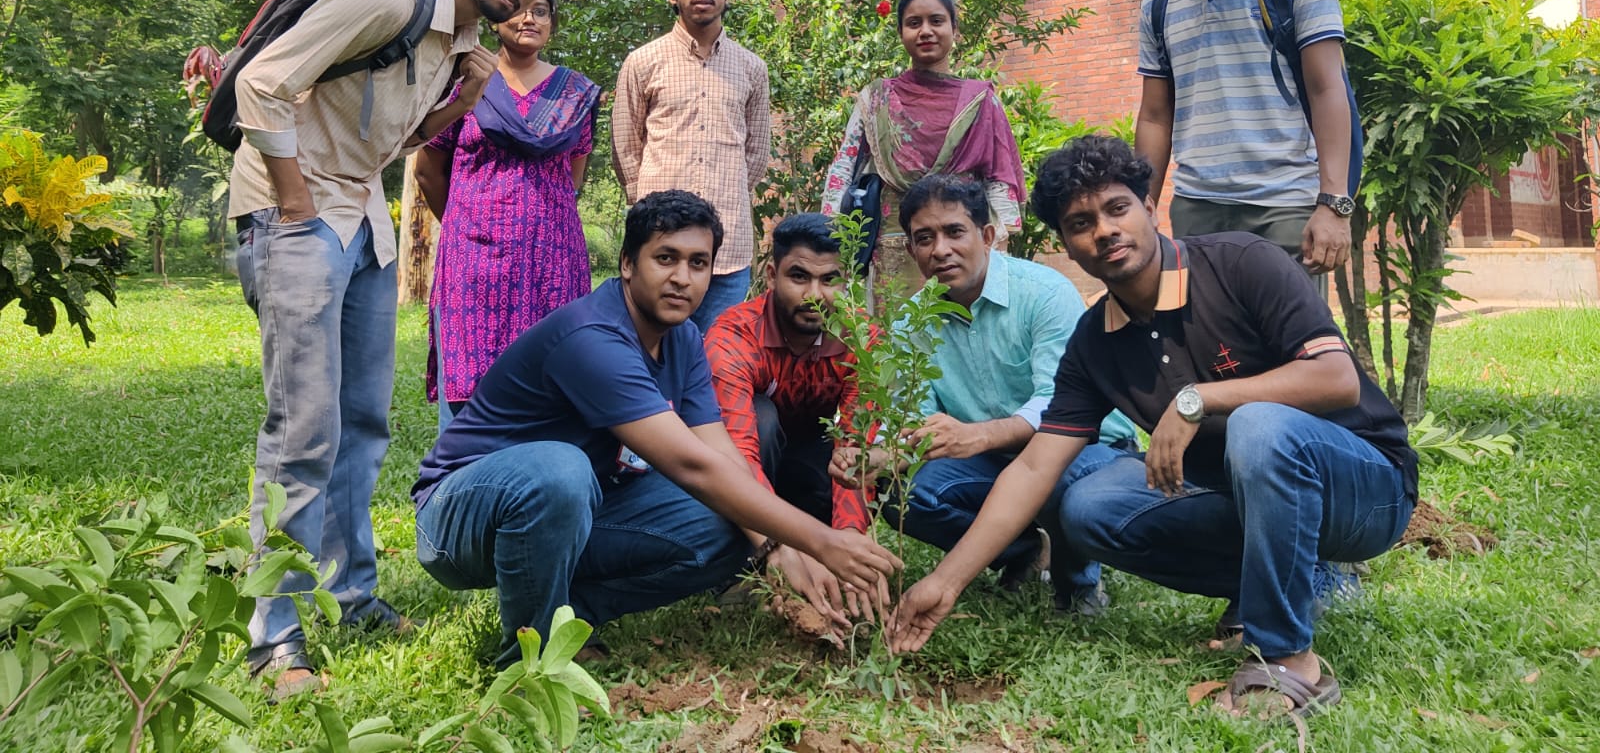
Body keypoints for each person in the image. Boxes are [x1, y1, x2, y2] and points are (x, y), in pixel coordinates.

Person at [890, 137, 1417, 721]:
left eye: (1117, 208)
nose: (1105, 231)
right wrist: (945, 582)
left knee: (1258, 425)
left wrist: (1197, 399)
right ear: (1066, 242)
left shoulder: (1241, 262)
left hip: (1365, 489)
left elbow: (1336, 379)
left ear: (1149, 206)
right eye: (1081, 223)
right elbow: (1036, 465)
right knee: (1088, 508)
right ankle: (1295, 581)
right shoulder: (1095, 342)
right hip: (1240, 501)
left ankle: (1288, 660)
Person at [229, 0, 576, 698]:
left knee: (362, 424)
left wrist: (461, 98)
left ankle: (351, 598)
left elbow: (399, 138)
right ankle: (272, 637)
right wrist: (294, 205)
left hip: (362, 220)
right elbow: (261, 83)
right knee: (303, 430)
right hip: (298, 214)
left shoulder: (463, 44)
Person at [412, 191, 899, 667]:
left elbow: (723, 456)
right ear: (628, 263)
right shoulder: (593, 337)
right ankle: (532, 662)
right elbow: (692, 465)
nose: (682, 278)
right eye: (666, 258)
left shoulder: (682, 339)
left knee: (734, 523)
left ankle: (570, 613)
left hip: (584, 506)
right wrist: (821, 541)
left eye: (698, 263)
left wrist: (774, 544)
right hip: (459, 518)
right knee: (561, 470)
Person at [833, 175, 1137, 614]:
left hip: (1085, 448)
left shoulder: (1044, 294)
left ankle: (1076, 586)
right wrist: (880, 457)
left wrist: (978, 435)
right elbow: (911, 419)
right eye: (924, 238)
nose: (940, 250)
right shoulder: (911, 325)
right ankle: (1025, 551)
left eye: (954, 232)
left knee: (1058, 477)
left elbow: (1062, 408)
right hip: (992, 460)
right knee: (901, 493)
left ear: (988, 236)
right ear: (912, 250)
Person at [1134, 0, 1355, 272]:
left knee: (1289, 321)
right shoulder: (1158, 5)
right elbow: (1155, 116)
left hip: (1285, 207)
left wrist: (1334, 203)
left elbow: (1327, 89)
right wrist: (1143, 206)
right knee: (1203, 322)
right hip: (1197, 210)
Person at [416, 0, 599, 433]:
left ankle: (541, 469)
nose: (529, 18)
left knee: (551, 377)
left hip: (553, 262)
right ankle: (461, 471)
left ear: (552, 23)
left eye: (541, 11)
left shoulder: (574, 94)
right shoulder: (465, 80)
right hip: (473, 260)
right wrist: (469, 223)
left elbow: (572, 177)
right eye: (518, 9)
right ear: (496, 19)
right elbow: (427, 170)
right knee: (469, 384)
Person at [704, 213, 876, 630]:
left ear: (847, 283)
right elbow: (737, 454)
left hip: (805, 457)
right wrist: (775, 545)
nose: (814, 295)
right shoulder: (733, 336)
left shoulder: (862, 339)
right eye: (799, 276)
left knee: (855, 459)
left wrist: (850, 544)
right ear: (771, 275)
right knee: (761, 419)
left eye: (830, 279)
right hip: (751, 456)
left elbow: (855, 446)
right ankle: (742, 563)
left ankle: (818, 559)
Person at [820, 0, 1026, 290]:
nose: (925, 31)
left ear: (955, 30)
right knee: (897, 320)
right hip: (894, 247)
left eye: (937, 21)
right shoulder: (877, 99)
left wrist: (999, 251)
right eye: (914, 23)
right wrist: (830, 239)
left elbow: (999, 178)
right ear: (901, 32)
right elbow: (843, 168)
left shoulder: (980, 101)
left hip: (962, 246)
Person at [612, 0, 771, 332]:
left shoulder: (752, 68)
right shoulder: (643, 62)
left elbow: (755, 153)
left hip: (727, 250)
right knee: (649, 351)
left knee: (717, 355)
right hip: (658, 245)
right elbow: (626, 146)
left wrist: (728, 192)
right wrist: (647, 207)